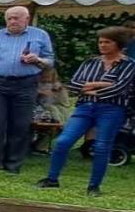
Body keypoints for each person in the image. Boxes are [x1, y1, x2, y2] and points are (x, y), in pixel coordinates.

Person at [37, 27, 133, 197]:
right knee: (63, 141)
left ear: (118, 44)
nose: (102, 45)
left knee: (102, 146)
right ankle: (52, 178)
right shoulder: (90, 62)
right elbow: (74, 85)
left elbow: (120, 88)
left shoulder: (128, 65)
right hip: (85, 107)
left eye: (107, 42)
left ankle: (94, 186)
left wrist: (91, 86)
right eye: (100, 42)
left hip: (111, 109)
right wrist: (100, 86)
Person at [0, 5, 55, 173]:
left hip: (26, 84)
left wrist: (37, 59)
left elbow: (50, 60)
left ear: (27, 19)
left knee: (20, 125)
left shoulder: (40, 35)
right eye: (9, 18)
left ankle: (13, 164)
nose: (12, 21)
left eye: (16, 18)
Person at [31, 66, 71, 153]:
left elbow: (65, 104)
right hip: (38, 111)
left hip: (54, 111)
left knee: (60, 124)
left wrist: (59, 91)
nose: (45, 79)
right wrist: (39, 93)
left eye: (48, 77)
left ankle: (40, 145)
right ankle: (39, 146)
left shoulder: (57, 86)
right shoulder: (32, 85)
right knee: (53, 118)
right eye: (42, 77)